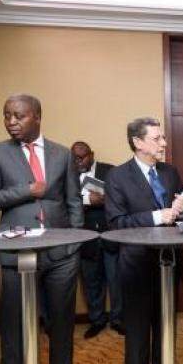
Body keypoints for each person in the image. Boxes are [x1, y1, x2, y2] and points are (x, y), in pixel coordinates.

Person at [0, 94, 85, 364]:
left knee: (62, 323)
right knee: (14, 327)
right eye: (6, 115)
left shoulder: (62, 154)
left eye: (19, 116)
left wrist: (75, 240)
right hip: (17, 254)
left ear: (37, 116)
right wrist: (26, 190)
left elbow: (73, 199)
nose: (11, 122)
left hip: (61, 253)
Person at [104, 117, 183, 364]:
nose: (164, 144)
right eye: (157, 138)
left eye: (163, 138)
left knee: (166, 328)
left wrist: (182, 210)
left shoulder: (170, 172)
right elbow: (116, 223)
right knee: (138, 332)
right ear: (138, 142)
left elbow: (179, 213)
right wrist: (158, 216)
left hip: (169, 262)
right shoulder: (117, 177)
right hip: (136, 265)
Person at [70, 141, 123, 337]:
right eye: (74, 158)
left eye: (81, 157)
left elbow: (123, 197)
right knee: (91, 282)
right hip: (86, 238)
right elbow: (65, 203)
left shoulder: (111, 171)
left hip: (111, 235)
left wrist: (106, 199)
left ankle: (118, 320)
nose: (78, 161)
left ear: (91, 155)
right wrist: (87, 200)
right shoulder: (68, 175)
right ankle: (97, 320)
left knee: (116, 281)